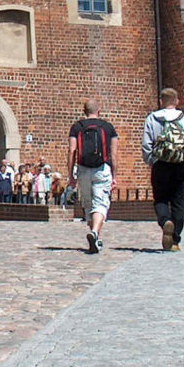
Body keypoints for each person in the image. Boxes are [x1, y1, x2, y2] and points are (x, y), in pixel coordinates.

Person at [142, 87, 184, 251]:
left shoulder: (152, 119)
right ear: (177, 102)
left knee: (161, 199)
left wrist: (151, 161)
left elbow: (146, 145)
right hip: (180, 164)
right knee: (178, 201)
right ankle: (175, 240)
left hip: (160, 164)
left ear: (161, 102)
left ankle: (165, 221)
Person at [68, 98, 118, 254]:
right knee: (101, 204)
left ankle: (95, 237)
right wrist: (114, 175)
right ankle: (95, 233)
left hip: (83, 169)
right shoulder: (108, 127)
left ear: (84, 111)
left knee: (88, 204)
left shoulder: (77, 127)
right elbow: (113, 154)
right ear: (99, 110)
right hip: (101, 169)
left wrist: (71, 175)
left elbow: (71, 151)